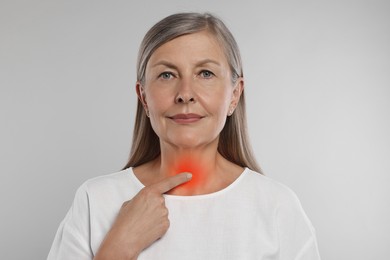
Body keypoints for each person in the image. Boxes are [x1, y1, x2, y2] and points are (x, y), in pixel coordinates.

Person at [48, 12, 321, 260]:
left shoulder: (277, 208)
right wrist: (119, 247)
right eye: (167, 75)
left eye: (205, 73)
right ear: (143, 97)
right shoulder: (95, 201)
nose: (185, 93)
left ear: (234, 95)